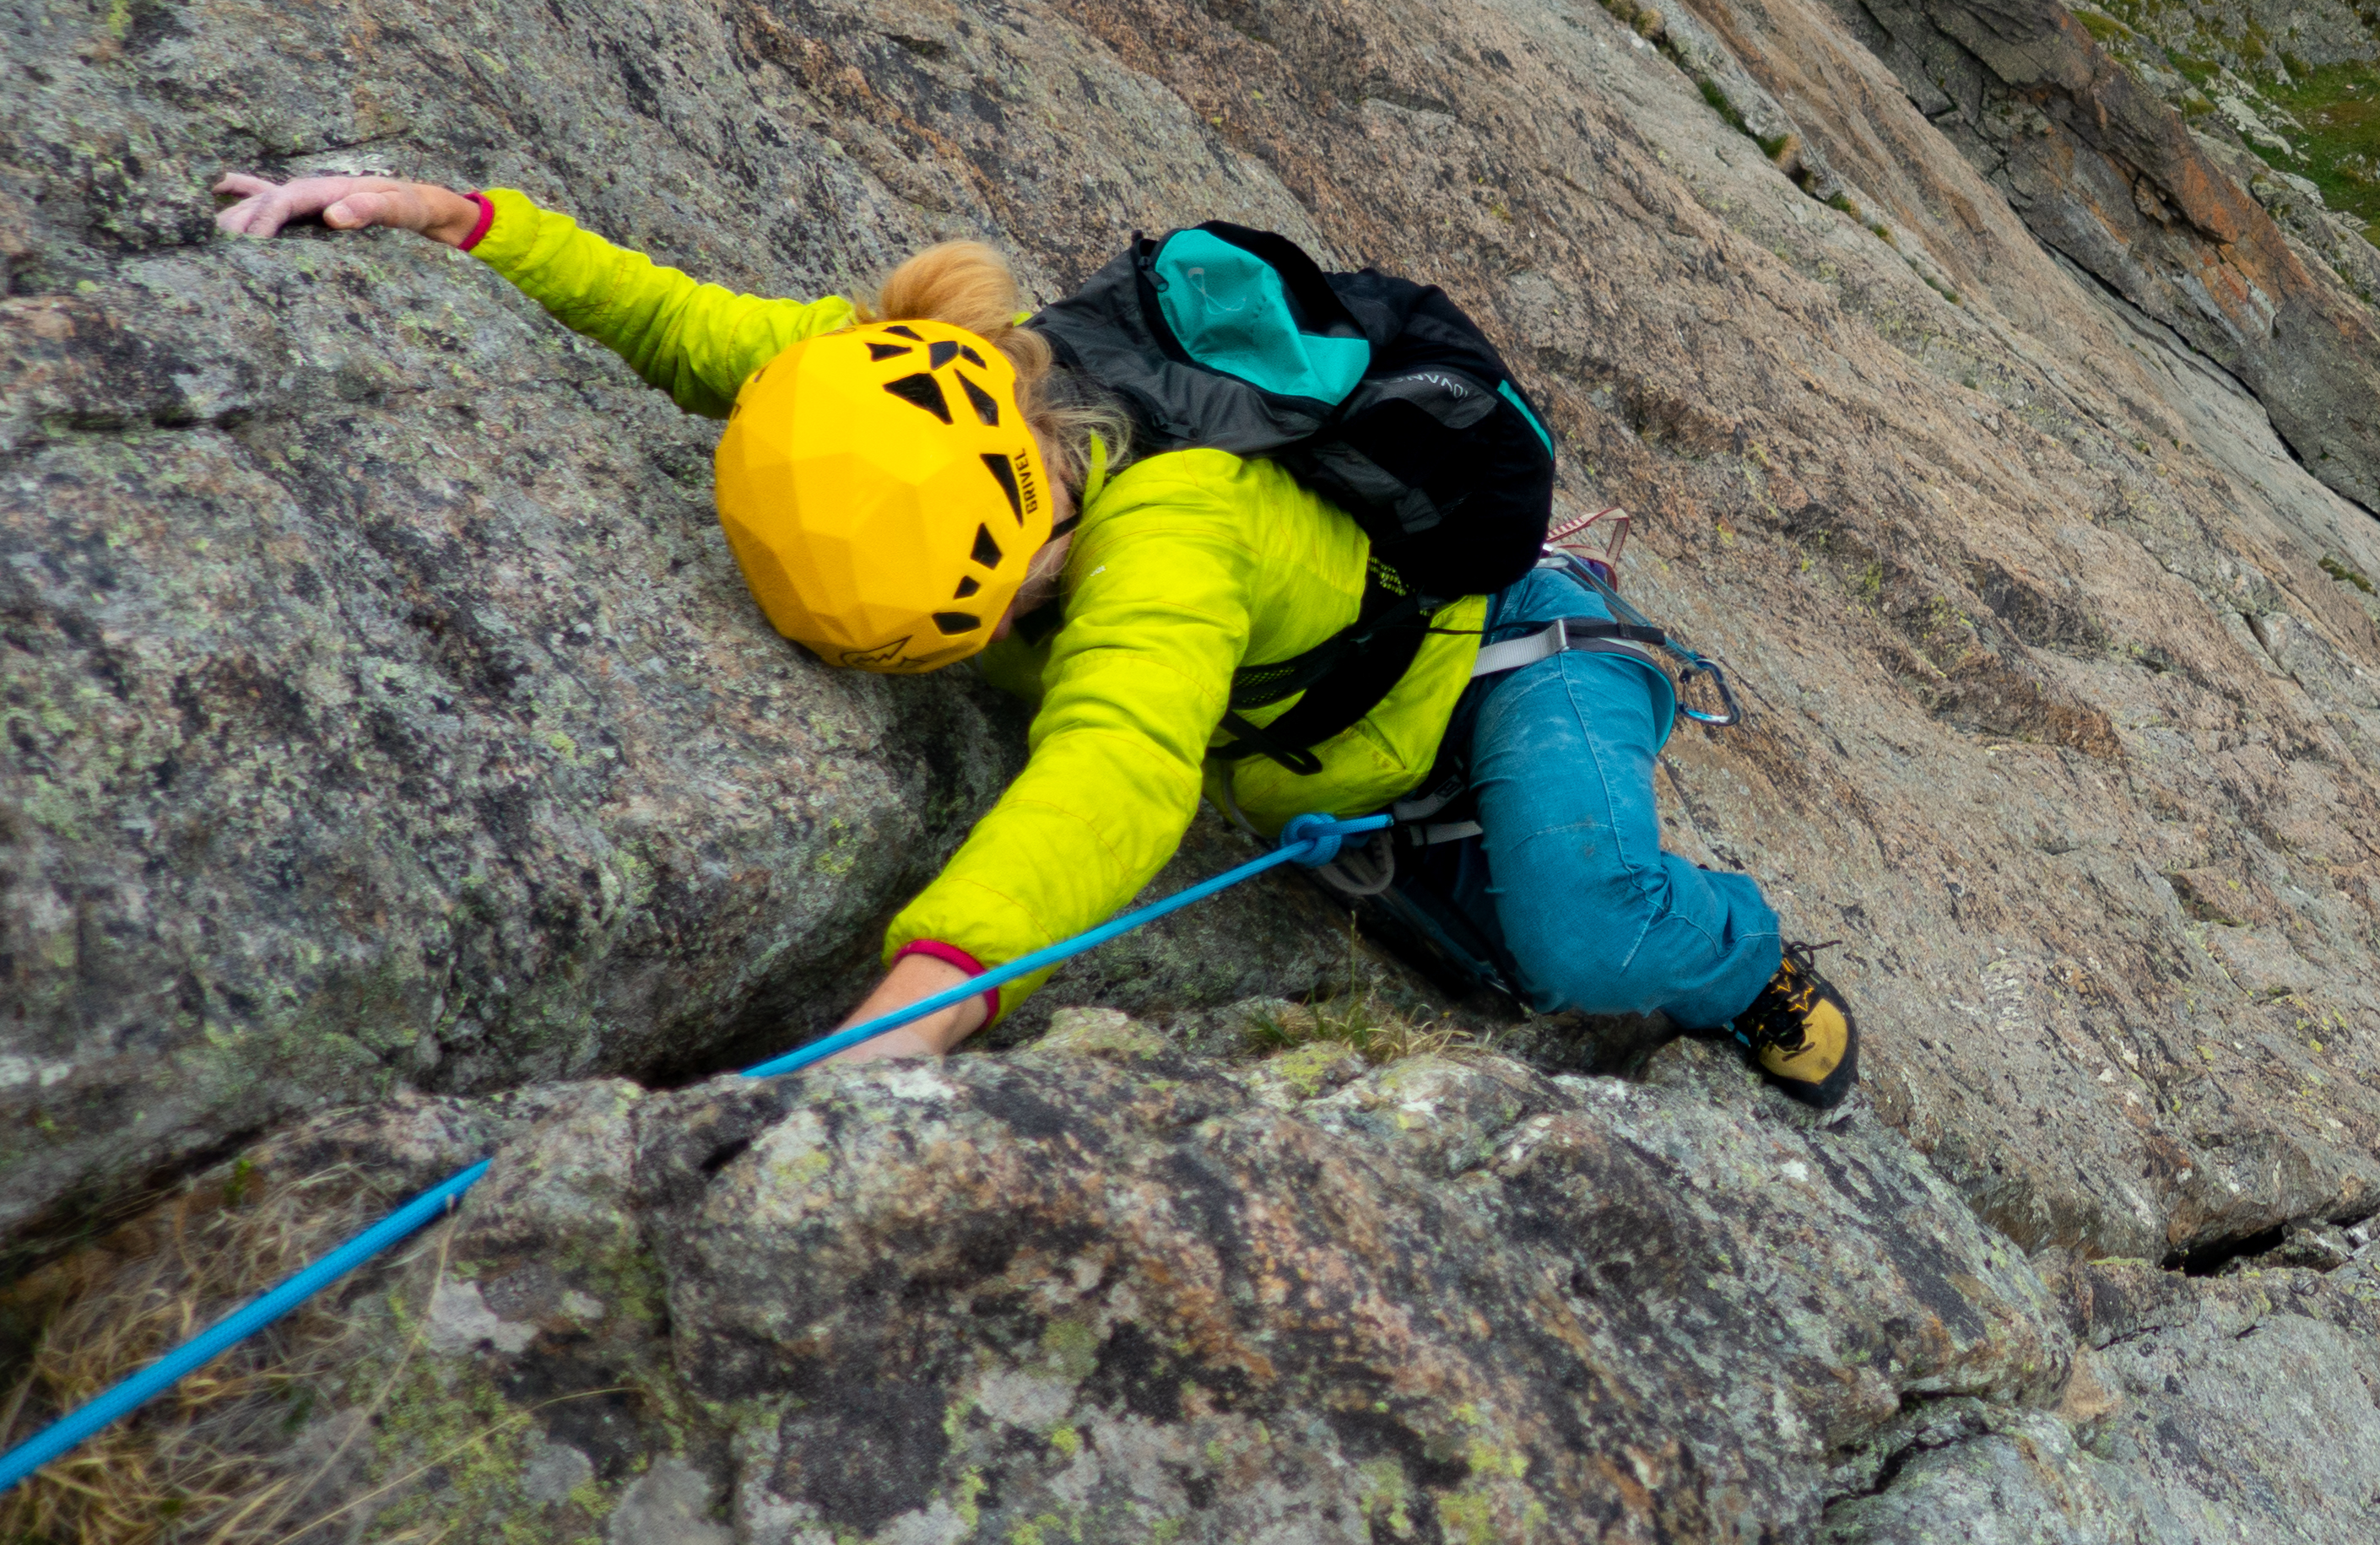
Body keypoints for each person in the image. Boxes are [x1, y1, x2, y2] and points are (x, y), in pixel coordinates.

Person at [203, 170, 1855, 1105]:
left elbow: (1122, 765)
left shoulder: (1170, 531)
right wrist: (445, 216)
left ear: (1034, 534)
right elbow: (699, 330)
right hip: (1334, 753)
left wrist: (938, 978)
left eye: (970, 627)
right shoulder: (931, 376)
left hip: (1516, 658)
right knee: (1485, 968)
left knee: (1578, 939)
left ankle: (1748, 958)